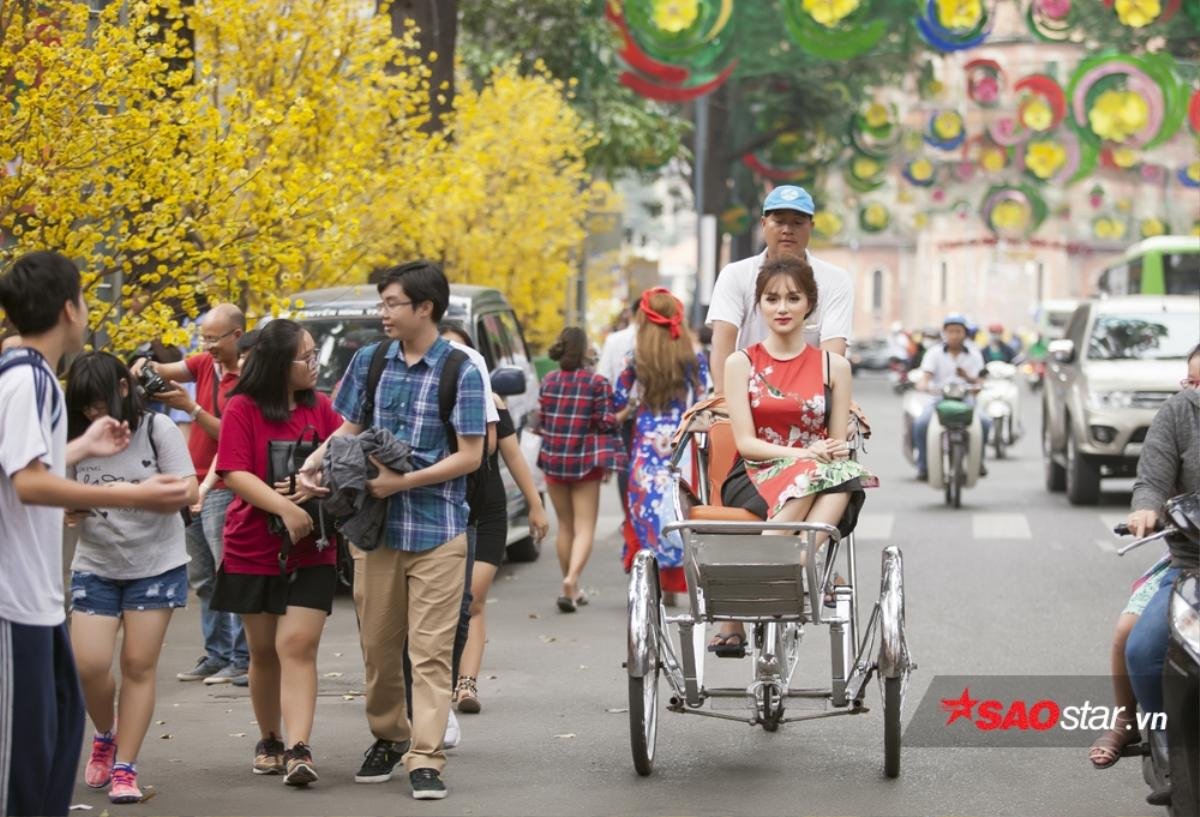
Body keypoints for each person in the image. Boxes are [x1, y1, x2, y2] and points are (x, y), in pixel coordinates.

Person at [0, 250, 189, 817]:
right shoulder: (25, 381)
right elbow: (30, 485)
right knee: (22, 773)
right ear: (69, 309)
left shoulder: (32, 380)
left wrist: (80, 449)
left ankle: (119, 756)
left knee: (51, 756)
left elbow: (25, 464)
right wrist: (134, 494)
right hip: (16, 603)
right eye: (84, 298)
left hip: (40, 601)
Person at [298, 260, 486, 801]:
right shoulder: (370, 360)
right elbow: (348, 430)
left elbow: (471, 457)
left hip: (439, 532)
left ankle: (426, 756)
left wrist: (400, 483)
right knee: (379, 651)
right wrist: (317, 462)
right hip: (374, 533)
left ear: (424, 308)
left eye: (391, 304)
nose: (383, 314)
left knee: (428, 654)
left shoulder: (461, 371)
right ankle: (389, 735)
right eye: (382, 303)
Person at [710, 255, 876, 655]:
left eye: (792, 298)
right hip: (754, 474)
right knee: (816, 472)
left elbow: (836, 444)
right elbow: (746, 443)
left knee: (843, 472)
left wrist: (823, 454)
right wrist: (803, 454)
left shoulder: (833, 366)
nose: (781, 308)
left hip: (821, 481)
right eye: (771, 299)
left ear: (809, 305)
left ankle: (791, 561)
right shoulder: (741, 362)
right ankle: (786, 561)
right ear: (759, 305)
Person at [207, 319, 343, 787]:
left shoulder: (322, 407)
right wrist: (285, 506)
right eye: (305, 356)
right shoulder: (242, 407)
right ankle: (270, 738)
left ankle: (299, 747)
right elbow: (233, 472)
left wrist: (319, 486)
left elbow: (342, 454)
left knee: (297, 645)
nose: (313, 363)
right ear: (277, 365)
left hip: (314, 546)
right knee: (263, 651)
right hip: (253, 544)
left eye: (313, 355)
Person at [63, 352, 198, 803]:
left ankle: (125, 765)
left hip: (155, 564)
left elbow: (190, 489)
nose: (91, 414)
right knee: (89, 665)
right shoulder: (76, 438)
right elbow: (55, 493)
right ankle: (106, 733)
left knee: (138, 666)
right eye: (83, 406)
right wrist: (69, 509)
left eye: (97, 403)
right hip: (96, 563)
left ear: (123, 389)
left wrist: (132, 495)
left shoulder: (156, 429)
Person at [134, 304, 250, 685]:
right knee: (204, 578)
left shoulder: (246, 378)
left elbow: (231, 435)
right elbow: (166, 370)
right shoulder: (203, 364)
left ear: (237, 335)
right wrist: (143, 367)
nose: (209, 346)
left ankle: (242, 658)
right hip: (192, 480)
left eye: (215, 339)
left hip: (223, 484)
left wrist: (191, 408)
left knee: (229, 571)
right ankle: (215, 654)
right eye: (205, 339)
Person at [438, 324, 550, 715]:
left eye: (461, 350)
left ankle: (466, 683)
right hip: (440, 510)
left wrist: (535, 504)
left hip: (485, 510)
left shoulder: (491, 400)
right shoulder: (428, 400)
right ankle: (431, 680)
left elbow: (513, 456)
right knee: (441, 602)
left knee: (471, 598)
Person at [1116, 344, 1200, 773]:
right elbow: (1152, 478)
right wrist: (1146, 507)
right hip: (1191, 565)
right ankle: (1164, 745)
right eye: (1195, 382)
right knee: (1142, 649)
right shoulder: (1178, 413)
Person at [613, 288, 710, 605]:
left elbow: (618, 401)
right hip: (680, 443)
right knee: (678, 507)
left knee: (644, 511)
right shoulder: (693, 360)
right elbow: (703, 399)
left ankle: (648, 578)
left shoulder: (635, 359)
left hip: (645, 444)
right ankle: (674, 584)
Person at [706, 185, 854, 392]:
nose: (787, 230)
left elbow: (833, 351)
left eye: (797, 222)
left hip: (810, 397)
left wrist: (808, 407)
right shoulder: (735, 275)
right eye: (779, 221)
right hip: (744, 392)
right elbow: (723, 340)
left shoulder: (836, 280)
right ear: (764, 223)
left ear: (811, 226)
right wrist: (723, 403)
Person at [537, 327, 627, 612]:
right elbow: (606, 422)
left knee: (564, 526)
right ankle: (572, 579)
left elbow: (541, 421)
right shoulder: (597, 382)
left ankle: (572, 587)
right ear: (584, 349)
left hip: (553, 460)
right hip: (585, 462)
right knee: (585, 527)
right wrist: (626, 411)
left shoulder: (548, 381)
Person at [911, 314, 991, 481]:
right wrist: (923, 386)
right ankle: (923, 466)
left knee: (984, 422)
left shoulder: (974, 354)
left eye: (958, 331)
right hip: (940, 400)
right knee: (921, 424)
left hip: (966, 400)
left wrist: (969, 377)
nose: (954, 335)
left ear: (965, 333)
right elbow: (925, 378)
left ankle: (979, 462)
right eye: (951, 331)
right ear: (944, 333)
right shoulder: (934, 353)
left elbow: (980, 381)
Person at [597, 304, 637, 520]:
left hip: (624, 412)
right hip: (665, 419)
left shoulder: (616, 340)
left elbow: (605, 378)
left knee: (625, 464)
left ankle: (629, 514)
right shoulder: (677, 341)